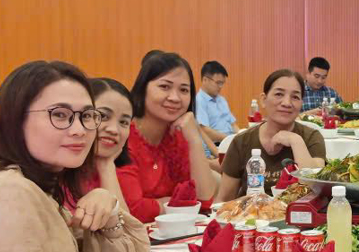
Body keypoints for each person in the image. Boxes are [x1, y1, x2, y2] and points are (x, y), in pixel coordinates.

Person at [0, 61, 214, 252]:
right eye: (59, 115)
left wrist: (110, 211)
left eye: (87, 116)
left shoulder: (45, 190)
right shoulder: (12, 193)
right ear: (13, 120)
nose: (79, 129)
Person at [117, 52, 217, 223]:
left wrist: (194, 139)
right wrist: (178, 204)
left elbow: (204, 201)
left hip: (174, 234)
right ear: (143, 88)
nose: (175, 98)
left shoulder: (178, 138)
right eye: (164, 87)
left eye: (184, 90)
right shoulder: (124, 136)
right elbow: (132, 210)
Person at [217, 69, 326, 199]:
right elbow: (223, 200)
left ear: (301, 103)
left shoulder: (311, 137)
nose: (287, 103)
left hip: (298, 211)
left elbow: (314, 188)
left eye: (295, 97)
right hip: (252, 210)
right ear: (263, 100)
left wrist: (296, 141)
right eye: (279, 94)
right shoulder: (242, 141)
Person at [63, 78, 135, 214]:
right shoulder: (57, 171)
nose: (114, 130)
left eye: (124, 122)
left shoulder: (119, 171)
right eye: (103, 116)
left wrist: (106, 167)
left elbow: (125, 226)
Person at [196, 60, 238, 145]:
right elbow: (205, 130)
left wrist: (240, 135)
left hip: (229, 142)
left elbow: (233, 124)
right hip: (215, 145)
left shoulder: (222, 100)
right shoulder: (199, 101)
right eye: (218, 83)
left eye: (222, 83)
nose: (221, 86)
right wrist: (230, 139)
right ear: (205, 80)